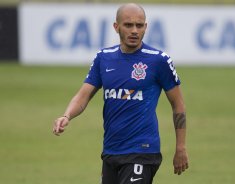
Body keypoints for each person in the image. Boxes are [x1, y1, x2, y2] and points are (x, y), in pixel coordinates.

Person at [53, 3, 189, 184]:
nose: (134, 30)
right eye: (128, 25)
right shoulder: (103, 58)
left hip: (142, 150)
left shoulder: (158, 60)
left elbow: (178, 105)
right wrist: (67, 115)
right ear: (116, 27)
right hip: (111, 150)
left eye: (139, 25)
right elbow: (83, 95)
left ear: (146, 27)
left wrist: (181, 147)